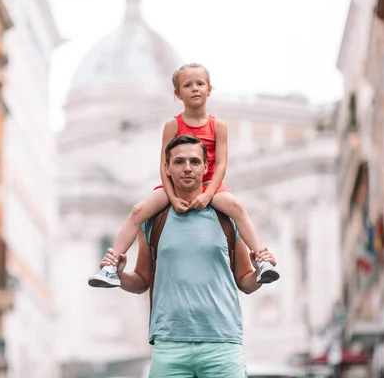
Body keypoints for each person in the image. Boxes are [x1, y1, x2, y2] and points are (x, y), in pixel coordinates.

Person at [100, 134, 277, 377]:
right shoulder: (153, 221)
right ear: (167, 168)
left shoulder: (227, 219)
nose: (187, 168)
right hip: (169, 346)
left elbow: (245, 280)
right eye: (179, 162)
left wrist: (259, 274)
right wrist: (120, 275)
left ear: (205, 167)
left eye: (194, 162)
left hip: (222, 345)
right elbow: (141, 281)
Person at [88, 63, 279, 288]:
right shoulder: (172, 125)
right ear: (178, 94)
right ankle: (111, 266)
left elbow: (220, 164)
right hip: (174, 187)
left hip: (210, 185)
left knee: (236, 207)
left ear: (209, 89)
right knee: (138, 210)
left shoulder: (218, 125)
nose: (195, 89)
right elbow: (164, 165)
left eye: (200, 84)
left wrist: (208, 195)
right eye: (188, 85)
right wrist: (172, 196)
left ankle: (261, 259)